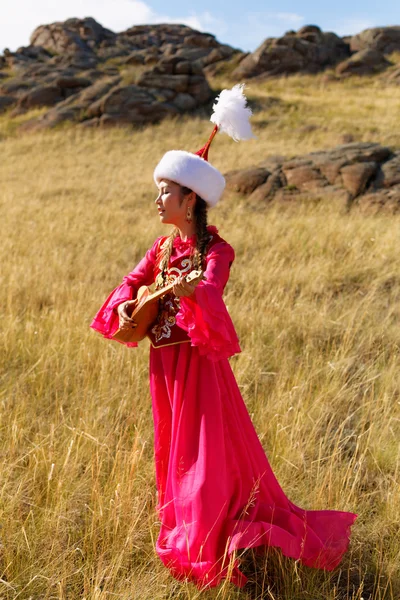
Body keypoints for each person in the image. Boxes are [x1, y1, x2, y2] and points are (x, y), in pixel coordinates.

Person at [90, 86, 357, 590]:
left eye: (166, 190)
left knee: (206, 456)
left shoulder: (218, 250)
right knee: (175, 451)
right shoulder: (161, 247)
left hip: (198, 365)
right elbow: (129, 283)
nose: (157, 198)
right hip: (164, 365)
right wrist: (129, 302)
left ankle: (213, 540)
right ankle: (190, 530)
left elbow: (212, 292)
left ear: (191, 198)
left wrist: (192, 293)